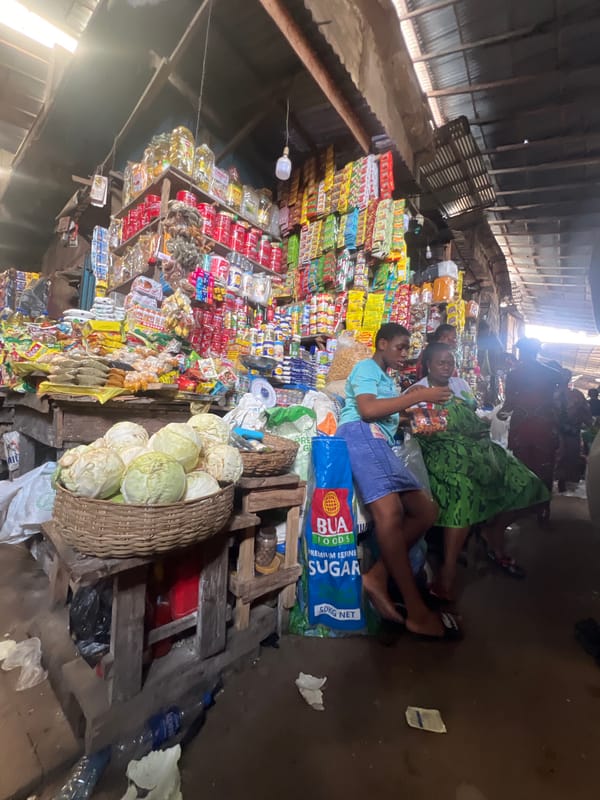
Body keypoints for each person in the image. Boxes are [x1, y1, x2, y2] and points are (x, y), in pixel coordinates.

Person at [337, 323, 460, 641]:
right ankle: (417, 613)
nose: (405, 354)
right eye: (400, 347)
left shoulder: (386, 380)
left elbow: (386, 414)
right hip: (361, 435)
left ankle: (377, 577)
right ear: (381, 344)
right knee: (390, 515)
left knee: (425, 511)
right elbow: (366, 410)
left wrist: (415, 413)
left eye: (408, 348)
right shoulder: (366, 367)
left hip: (379, 441)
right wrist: (420, 396)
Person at [409, 343, 550, 601]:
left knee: (530, 484)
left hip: (474, 448)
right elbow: (419, 428)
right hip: (441, 453)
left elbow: (473, 417)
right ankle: (448, 572)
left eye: (450, 362)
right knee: (462, 489)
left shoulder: (460, 385)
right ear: (428, 365)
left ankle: (492, 530)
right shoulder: (416, 391)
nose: (447, 366)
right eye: (441, 362)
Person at [499, 338, 560, 524]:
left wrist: (499, 415)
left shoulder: (515, 374)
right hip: (545, 425)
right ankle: (543, 508)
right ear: (536, 351)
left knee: (521, 465)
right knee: (544, 466)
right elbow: (557, 400)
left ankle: (523, 506)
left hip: (522, 426)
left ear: (521, 352)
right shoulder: (553, 373)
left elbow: (509, 403)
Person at [556, 369, 592, 492]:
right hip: (572, 434)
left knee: (557, 458)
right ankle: (564, 482)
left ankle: (557, 482)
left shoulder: (550, 394)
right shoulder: (577, 395)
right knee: (569, 459)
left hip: (555, 434)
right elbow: (587, 417)